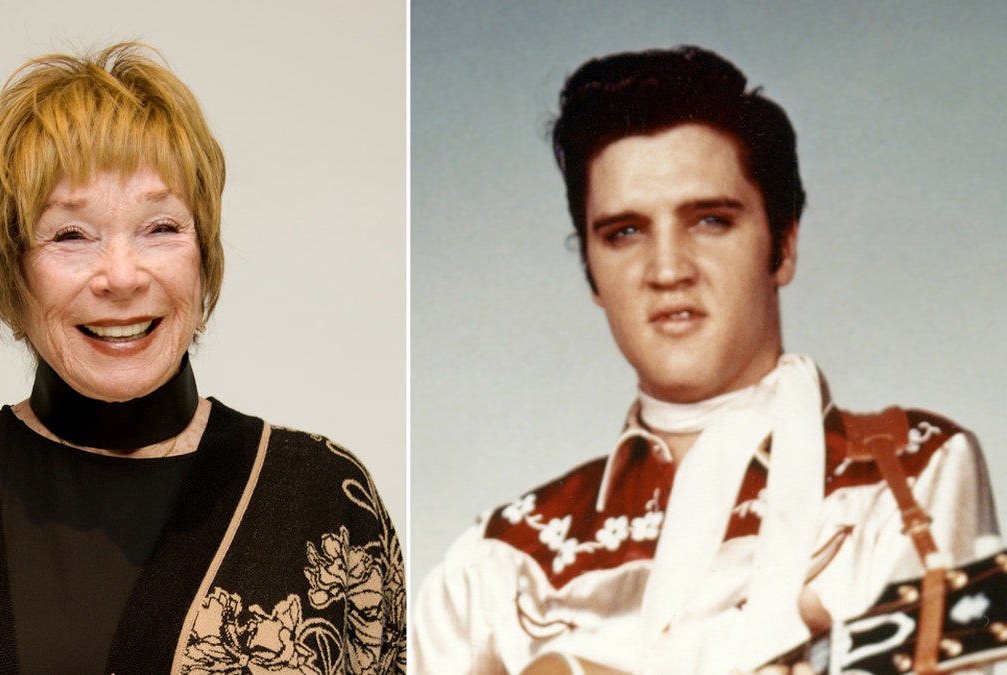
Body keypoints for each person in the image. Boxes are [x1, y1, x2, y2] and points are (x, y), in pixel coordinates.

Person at [0, 43, 405, 674]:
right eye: (71, 234)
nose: (122, 276)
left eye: (162, 227)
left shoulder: (320, 498)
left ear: (205, 260)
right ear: (13, 275)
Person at [410, 46, 1000, 675]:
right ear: (591, 271)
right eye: (624, 233)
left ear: (783, 245)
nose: (667, 270)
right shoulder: (499, 561)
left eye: (710, 220)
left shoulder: (905, 474)